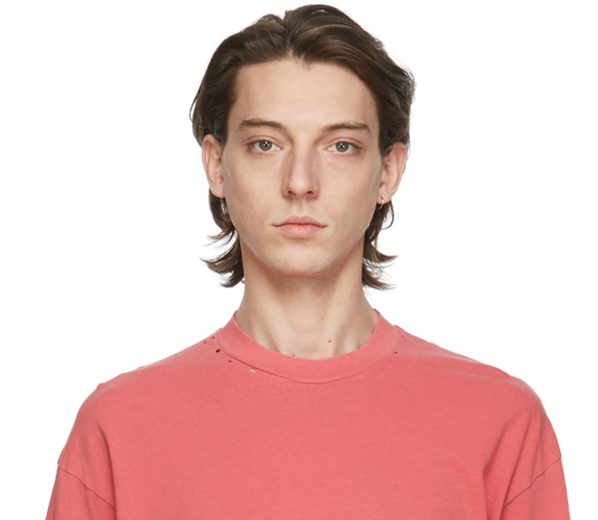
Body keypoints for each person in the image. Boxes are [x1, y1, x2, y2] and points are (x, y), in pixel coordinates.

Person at [46, 4, 570, 519]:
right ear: (216, 164)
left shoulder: (499, 421)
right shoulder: (119, 427)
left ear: (388, 171)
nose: (300, 182)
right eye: (265, 144)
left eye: (340, 146)